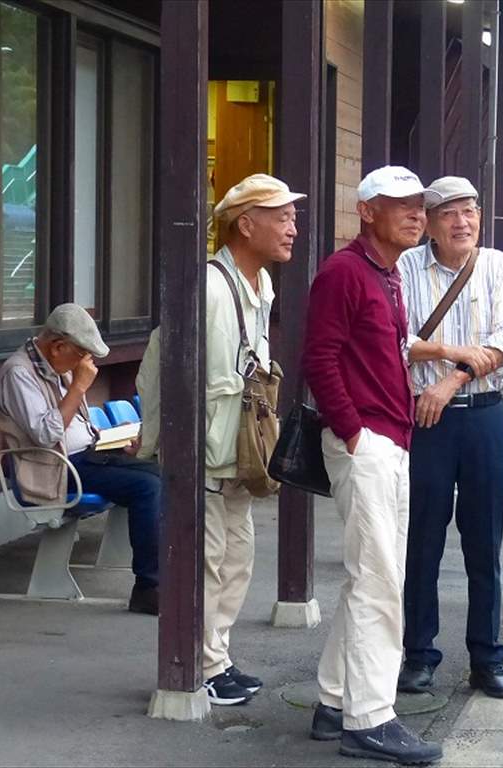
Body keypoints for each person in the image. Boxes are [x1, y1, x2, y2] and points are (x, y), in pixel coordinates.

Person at [136, 173, 306, 707]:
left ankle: (217, 657)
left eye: (293, 217)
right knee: (207, 560)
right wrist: (160, 442)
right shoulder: (207, 286)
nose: (293, 228)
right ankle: (201, 663)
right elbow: (160, 365)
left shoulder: (261, 284)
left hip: (238, 452)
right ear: (245, 224)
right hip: (206, 454)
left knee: (237, 557)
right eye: (282, 217)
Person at [303, 166, 443, 765]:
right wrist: (352, 430)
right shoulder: (344, 272)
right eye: (402, 205)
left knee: (371, 575)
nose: (417, 215)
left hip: (385, 439)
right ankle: (370, 719)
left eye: (420, 206)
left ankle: (335, 702)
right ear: (367, 211)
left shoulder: (386, 273)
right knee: (380, 581)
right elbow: (319, 357)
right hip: (367, 441)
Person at [396, 176, 503, 700]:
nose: (461, 222)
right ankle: (418, 654)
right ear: (429, 222)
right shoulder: (406, 266)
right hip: (425, 422)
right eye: (449, 213)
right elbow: (397, 339)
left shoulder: (498, 265)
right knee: (421, 541)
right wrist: (452, 352)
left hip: (485, 417)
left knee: (484, 543)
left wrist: (450, 380)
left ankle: (487, 657)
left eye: (469, 210)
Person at [0, 303, 160, 615]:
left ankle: (165, 572)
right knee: (146, 487)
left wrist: (114, 440)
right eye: (81, 353)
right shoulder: (19, 373)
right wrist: (80, 386)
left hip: (86, 457)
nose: (86, 363)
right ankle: (149, 587)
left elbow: (76, 427)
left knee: (159, 472)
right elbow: (46, 434)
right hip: (55, 468)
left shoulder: (58, 367)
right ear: (57, 346)